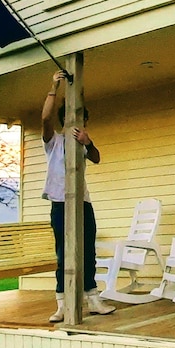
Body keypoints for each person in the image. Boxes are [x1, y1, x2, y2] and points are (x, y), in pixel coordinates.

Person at [41, 70, 115, 323]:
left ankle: (93, 299)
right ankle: (62, 304)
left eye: (85, 121)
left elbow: (96, 158)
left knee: (88, 253)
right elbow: (44, 118)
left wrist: (88, 141)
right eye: (77, 119)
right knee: (64, 255)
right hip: (60, 203)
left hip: (84, 203)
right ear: (66, 119)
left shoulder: (81, 142)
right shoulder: (54, 141)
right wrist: (54, 87)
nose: (81, 124)